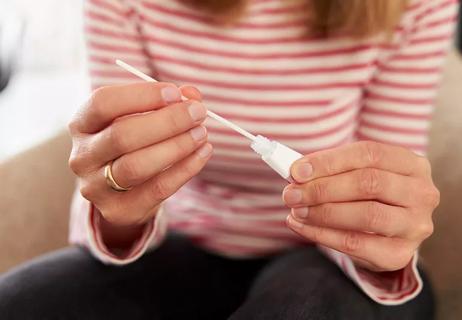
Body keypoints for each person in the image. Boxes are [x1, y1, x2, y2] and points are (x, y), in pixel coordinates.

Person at [0, 0, 459, 319]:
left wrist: (385, 232)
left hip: (331, 267)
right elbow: (113, 168)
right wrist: (119, 206)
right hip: (179, 250)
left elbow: (389, 196)